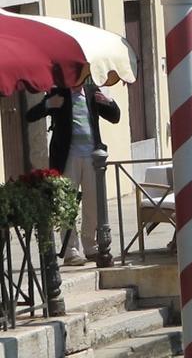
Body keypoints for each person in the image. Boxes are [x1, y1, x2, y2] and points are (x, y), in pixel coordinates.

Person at [26, 82, 120, 266]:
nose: (77, 80)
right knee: (67, 205)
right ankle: (70, 251)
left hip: (93, 157)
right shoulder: (58, 93)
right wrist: (48, 105)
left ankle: (90, 246)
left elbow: (115, 117)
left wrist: (109, 102)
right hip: (68, 157)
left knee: (93, 203)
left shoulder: (92, 92)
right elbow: (31, 115)